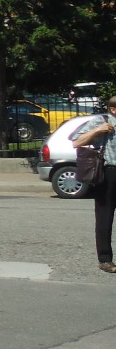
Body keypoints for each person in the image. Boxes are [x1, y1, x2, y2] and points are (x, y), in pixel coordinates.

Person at [70, 97, 116, 273]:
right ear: (113, 109)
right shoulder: (101, 121)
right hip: (108, 173)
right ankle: (105, 260)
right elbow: (76, 142)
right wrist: (98, 130)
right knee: (105, 217)